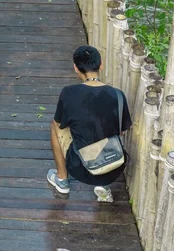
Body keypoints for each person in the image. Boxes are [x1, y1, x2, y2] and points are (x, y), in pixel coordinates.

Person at [48, 45, 132, 203]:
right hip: (114, 166)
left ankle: (62, 179)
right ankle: (104, 184)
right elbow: (121, 131)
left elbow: (59, 124)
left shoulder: (69, 93)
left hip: (80, 168)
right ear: (101, 65)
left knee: (55, 125)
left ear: (75, 68)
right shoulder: (118, 95)